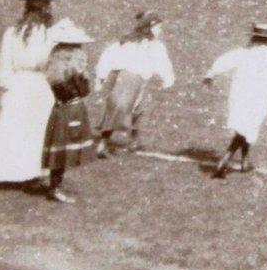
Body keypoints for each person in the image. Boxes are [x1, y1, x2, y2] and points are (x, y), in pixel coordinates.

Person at [0, 0, 61, 184]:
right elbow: (51, 64)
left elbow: (4, 66)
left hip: (19, 84)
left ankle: (3, 171)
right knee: (34, 129)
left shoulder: (13, 32)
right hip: (38, 85)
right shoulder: (50, 34)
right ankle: (27, 173)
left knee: (13, 127)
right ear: (44, 8)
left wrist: (9, 85)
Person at [205, 23, 267, 179]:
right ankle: (226, 158)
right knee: (248, 128)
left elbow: (224, 61)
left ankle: (244, 162)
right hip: (259, 97)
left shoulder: (245, 53)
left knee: (244, 127)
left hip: (239, 94)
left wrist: (210, 74)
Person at [95, 11, 175, 156]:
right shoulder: (154, 46)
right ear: (149, 27)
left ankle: (130, 140)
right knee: (128, 110)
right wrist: (168, 79)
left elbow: (107, 56)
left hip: (118, 78)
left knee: (121, 110)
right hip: (134, 80)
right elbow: (163, 63)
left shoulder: (126, 40)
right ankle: (107, 142)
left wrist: (102, 76)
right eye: (158, 27)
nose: (160, 30)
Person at [42, 18, 97, 203]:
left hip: (59, 109)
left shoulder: (55, 64)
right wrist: (84, 76)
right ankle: (55, 188)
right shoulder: (74, 69)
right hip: (72, 110)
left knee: (58, 150)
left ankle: (54, 185)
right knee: (63, 152)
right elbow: (84, 91)